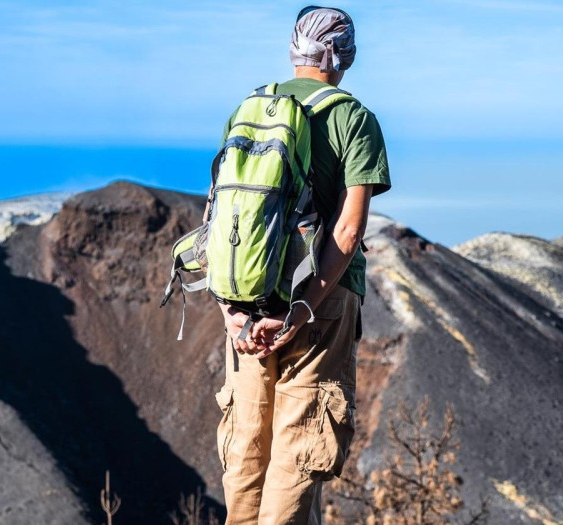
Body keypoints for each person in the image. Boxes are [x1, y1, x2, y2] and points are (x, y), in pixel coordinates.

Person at [214, 6, 391, 524]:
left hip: (247, 296)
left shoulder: (248, 109)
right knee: (299, 449)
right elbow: (349, 229)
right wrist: (300, 311)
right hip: (319, 303)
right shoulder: (352, 118)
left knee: (247, 444)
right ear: (342, 53)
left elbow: (221, 218)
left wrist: (232, 313)